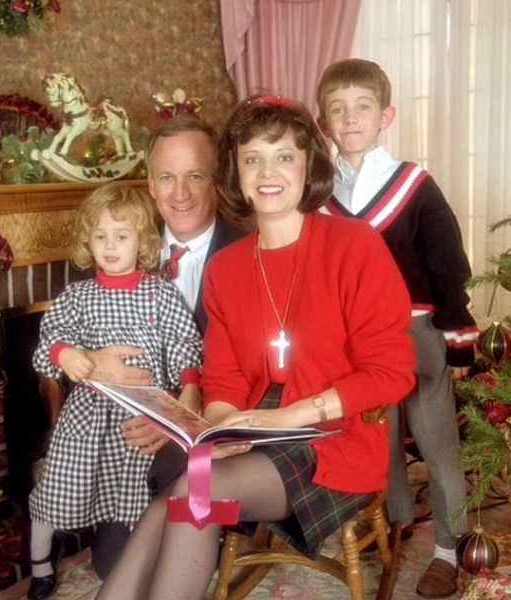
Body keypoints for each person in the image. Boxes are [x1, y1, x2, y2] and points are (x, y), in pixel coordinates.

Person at [95, 95, 415, 600]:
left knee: (195, 490)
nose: (268, 172)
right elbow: (224, 380)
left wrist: (286, 418)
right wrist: (222, 427)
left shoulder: (355, 245)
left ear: (308, 165)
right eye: (252, 159)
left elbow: (393, 371)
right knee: (174, 502)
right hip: (257, 431)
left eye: (284, 156)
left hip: (339, 439)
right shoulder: (228, 267)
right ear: (236, 175)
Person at [316, 58, 478, 598]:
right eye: (337, 109)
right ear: (324, 123)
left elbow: (448, 262)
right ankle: (394, 524)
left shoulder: (413, 184)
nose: (350, 117)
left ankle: (449, 549)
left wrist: (455, 329)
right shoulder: (320, 198)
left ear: (386, 116)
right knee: (374, 443)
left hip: (416, 334)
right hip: (355, 342)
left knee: (436, 443)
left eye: (362, 106)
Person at [27, 184, 203, 600]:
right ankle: (40, 567)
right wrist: (67, 353)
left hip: (142, 418)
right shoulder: (78, 295)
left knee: (137, 494)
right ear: (87, 241)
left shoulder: (160, 293)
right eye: (100, 236)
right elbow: (47, 345)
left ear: (142, 241)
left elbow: (185, 345)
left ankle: (155, 549)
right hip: (88, 420)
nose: (109, 246)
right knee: (57, 488)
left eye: (121, 236)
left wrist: (190, 387)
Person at [89, 115, 244, 578]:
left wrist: (176, 417)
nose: (181, 193)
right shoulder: (119, 246)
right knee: (112, 563)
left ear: (216, 180)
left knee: (164, 562)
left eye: (196, 175)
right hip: (131, 433)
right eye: (167, 178)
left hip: (213, 430)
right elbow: (80, 337)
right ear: (150, 186)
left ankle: (216, 525)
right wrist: (93, 362)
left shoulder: (249, 252)